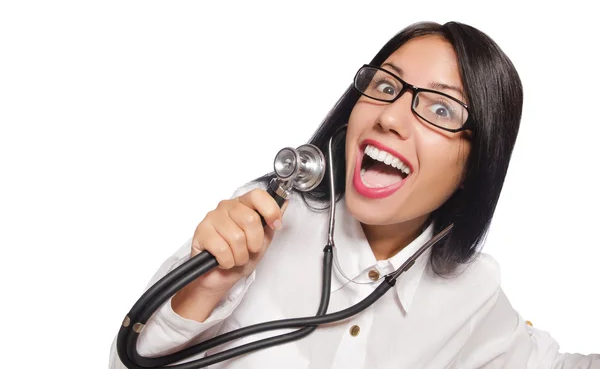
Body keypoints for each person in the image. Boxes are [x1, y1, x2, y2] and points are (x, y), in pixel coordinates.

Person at [109, 21, 599, 368]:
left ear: (478, 163)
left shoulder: (474, 296)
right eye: (386, 85)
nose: (390, 115)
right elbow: (126, 362)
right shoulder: (261, 223)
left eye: (442, 110)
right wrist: (205, 290)